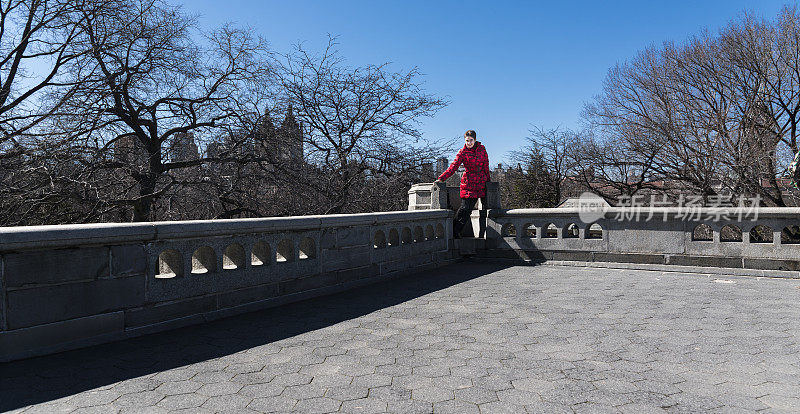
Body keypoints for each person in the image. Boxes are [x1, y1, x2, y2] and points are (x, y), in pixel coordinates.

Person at [435, 130, 490, 238]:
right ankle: (454, 231)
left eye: (471, 140)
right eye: (467, 141)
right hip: (468, 183)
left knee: (480, 209)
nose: (469, 143)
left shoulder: (482, 149)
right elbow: (453, 167)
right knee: (465, 208)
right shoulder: (462, 152)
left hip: (481, 183)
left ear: (475, 140)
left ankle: (477, 235)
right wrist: (441, 178)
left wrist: (488, 181)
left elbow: (486, 165)